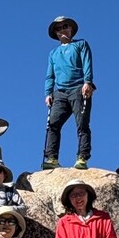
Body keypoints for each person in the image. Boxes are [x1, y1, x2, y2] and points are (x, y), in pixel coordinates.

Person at [42, 16, 95, 170]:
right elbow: (50, 75)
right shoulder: (53, 53)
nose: (62, 30)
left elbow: (87, 63)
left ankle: (82, 157)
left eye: (65, 26)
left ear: (71, 28)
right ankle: (51, 158)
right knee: (52, 124)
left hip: (78, 88)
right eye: (58, 28)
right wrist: (48, 93)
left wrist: (87, 82)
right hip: (60, 92)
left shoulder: (81, 44)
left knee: (82, 123)